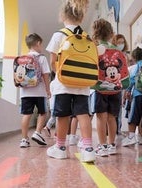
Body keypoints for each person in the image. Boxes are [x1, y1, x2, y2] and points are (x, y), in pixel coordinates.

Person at [46, 0, 95, 162]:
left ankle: (60, 147)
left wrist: (61, 75)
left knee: (63, 115)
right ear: (81, 17)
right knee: (83, 114)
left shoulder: (59, 35)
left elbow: (53, 60)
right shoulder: (87, 37)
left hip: (64, 84)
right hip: (83, 84)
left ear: (62, 15)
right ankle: (88, 148)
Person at [91, 18, 120, 156]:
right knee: (112, 117)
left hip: (100, 87)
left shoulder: (95, 50)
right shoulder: (116, 49)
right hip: (116, 87)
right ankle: (112, 144)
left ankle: (102, 146)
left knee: (100, 117)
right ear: (111, 33)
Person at [19, 33, 51, 148]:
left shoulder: (23, 58)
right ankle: (37, 132)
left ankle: (24, 139)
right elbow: (46, 75)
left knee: (26, 114)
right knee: (43, 112)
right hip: (39, 91)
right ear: (38, 43)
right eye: (41, 44)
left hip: (25, 92)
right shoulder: (41, 57)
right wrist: (48, 89)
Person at [121, 47, 142, 147]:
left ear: (133, 58)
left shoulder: (134, 67)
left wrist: (128, 91)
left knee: (134, 115)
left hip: (138, 94)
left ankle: (131, 137)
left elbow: (132, 80)